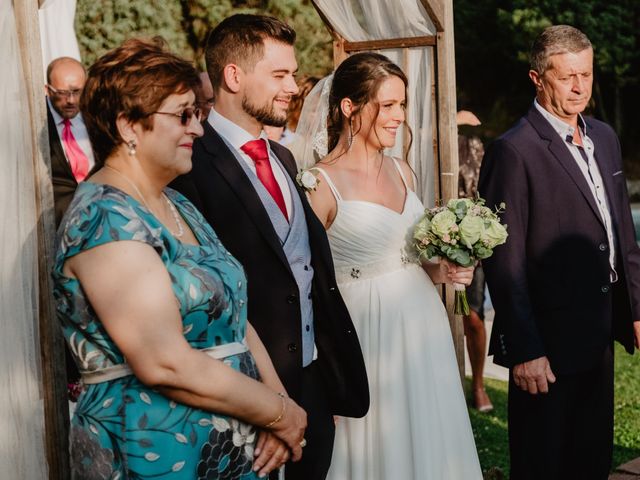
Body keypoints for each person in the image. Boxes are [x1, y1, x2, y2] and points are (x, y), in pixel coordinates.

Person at [52, 37, 307, 479]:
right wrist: (277, 413)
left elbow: (235, 313)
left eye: (199, 114)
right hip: (153, 449)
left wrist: (279, 403)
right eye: (184, 115)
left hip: (233, 441)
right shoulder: (103, 217)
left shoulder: (176, 203)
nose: (198, 129)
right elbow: (163, 360)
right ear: (129, 125)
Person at [170, 15, 369, 480]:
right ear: (234, 76)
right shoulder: (189, 164)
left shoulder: (282, 157)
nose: (294, 87)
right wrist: (263, 401)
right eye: (279, 75)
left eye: (293, 74)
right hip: (245, 390)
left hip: (314, 376)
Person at [303, 52, 483, 479]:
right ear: (350, 108)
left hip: (424, 331)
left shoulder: (404, 172)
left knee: (431, 441)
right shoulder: (318, 185)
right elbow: (309, 290)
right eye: (387, 106)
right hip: (368, 339)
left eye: (402, 105)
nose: (398, 116)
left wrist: (446, 270)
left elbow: (415, 261)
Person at [479, 25, 640, 479]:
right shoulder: (512, 151)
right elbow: (503, 263)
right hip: (545, 346)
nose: (578, 87)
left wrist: (636, 309)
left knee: (591, 458)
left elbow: (622, 233)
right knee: (545, 463)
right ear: (537, 78)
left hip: (599, 331)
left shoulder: (604, 137)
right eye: (566, 76)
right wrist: (525, 348)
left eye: (586, 75)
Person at [457, 110, 493, 412]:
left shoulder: (480, 142)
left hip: (474, 238)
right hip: (437, 234)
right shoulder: (435, 134)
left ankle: (479, 384)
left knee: (474, 316)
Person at [45, 57, 95, 226]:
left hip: (98, 211)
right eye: (63, 93)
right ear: (48, 90)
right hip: (55, 221)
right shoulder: (36, 121)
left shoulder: (96, 114)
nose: (71, 100)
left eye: (77, 91)